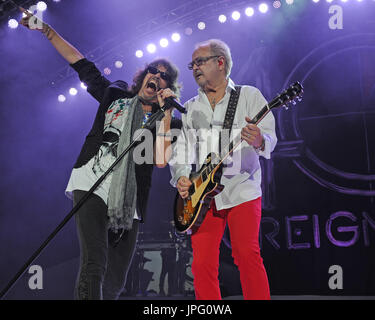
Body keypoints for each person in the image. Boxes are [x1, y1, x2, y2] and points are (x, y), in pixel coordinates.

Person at [20, 8, 182, 300]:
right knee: (94, 262)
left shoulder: (168, 121)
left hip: (129, 197)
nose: (156, 76)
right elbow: (81, 63)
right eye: (152, 71)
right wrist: (47, 30)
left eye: (163, 76)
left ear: (167, 87)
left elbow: (159, 159)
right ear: (143, 76)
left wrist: (167, 113)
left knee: (116, 278)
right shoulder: (115, 95)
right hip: (91, 182)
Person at [169, 39, 277, 300]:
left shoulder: (249, 95)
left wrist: (258, 139)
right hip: (203, 195)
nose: (194, 68)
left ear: (220, 62)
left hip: (243, 188)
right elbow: (182, 149)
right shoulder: (191, 107)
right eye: (192, 64)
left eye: (200, 61)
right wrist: (182, 176)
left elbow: (270, 138)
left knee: (246, 254)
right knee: (202, 264)